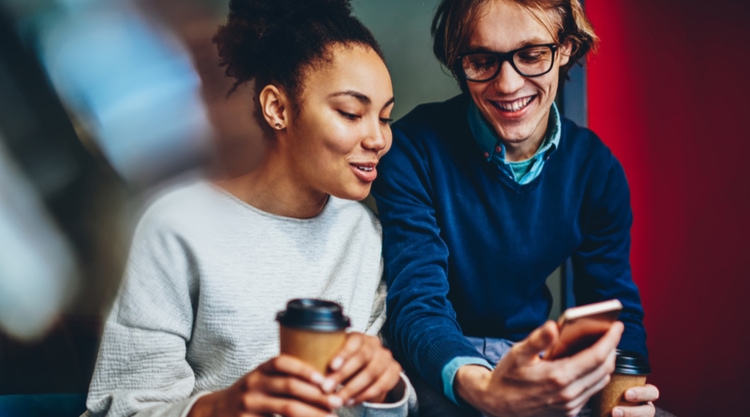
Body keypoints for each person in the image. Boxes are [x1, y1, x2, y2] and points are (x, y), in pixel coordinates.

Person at [82, 1, 417, 416]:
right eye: (351, 113)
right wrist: (224, 407)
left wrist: (386, 389)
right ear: (277, 108)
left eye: (384, 118)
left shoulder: (364, 233)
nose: (378, 139)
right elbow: (120, 408)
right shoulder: (177, 226)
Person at [371, 0, 661, 416]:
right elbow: (416, 304)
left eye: (531, 55)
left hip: (533, 358)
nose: (508, 84)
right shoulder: (412, 151)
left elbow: (616, 306)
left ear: (565, 49)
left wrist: (625, 393)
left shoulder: (596, 171)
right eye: (483, 60)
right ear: (459, 61)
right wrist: (485, 388)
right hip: (434, 363)